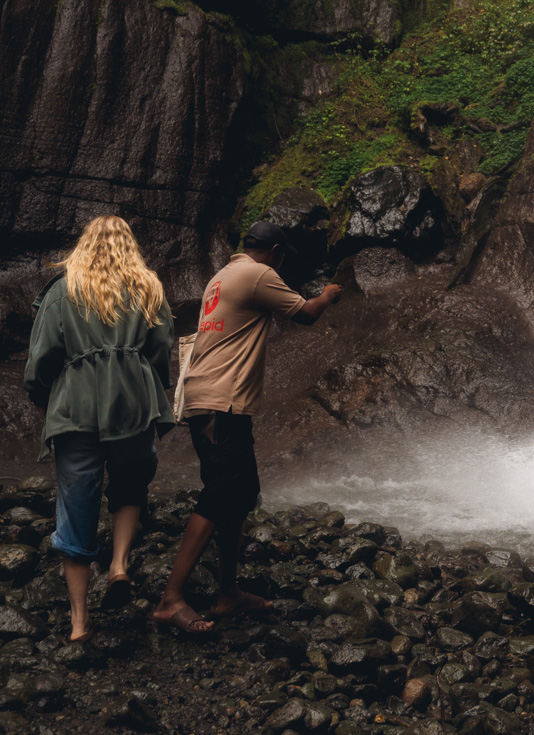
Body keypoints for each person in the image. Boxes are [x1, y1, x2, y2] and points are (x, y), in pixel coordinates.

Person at [151, 221, 341, 634]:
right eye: (283, 255)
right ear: (274, 251)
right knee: (221, 494)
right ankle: (171, 600)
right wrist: (328, 294)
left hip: (211, 399)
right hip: (222, 402)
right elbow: (305, 315)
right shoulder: (258, 274)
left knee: (240, 494)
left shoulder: (222, 275)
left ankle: (228, 594)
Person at [24, 215, 175, 641]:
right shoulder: (149, 287)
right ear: (131, 245)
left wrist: (41, 400)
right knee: (131, 481)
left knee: (76, 504)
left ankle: (78, 623)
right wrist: (153, 388)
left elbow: (42, 359)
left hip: (77, 408)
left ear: (83, 244)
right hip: (133, 402)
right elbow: (160, 349)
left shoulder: (62, 291)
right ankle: (119, 566)